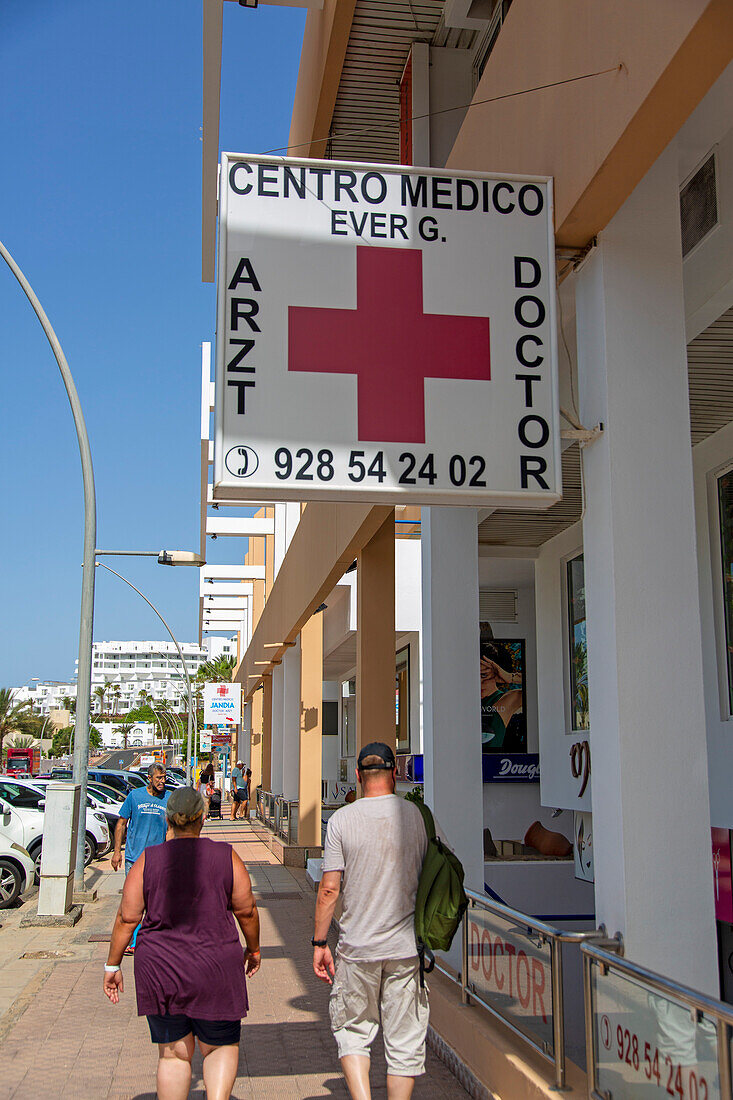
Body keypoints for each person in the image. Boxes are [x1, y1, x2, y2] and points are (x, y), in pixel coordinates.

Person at [103, 786, 261, 1100]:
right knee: (218, 1047)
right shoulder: (225, 856)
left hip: (161, 969)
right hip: (214, 967)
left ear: (168, 820)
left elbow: (127, 918)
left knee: (173, 1054)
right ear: (202, 819)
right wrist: (253, 948)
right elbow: (246, 910)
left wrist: (113, 964)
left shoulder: (149, 860)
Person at [313, 742, 429, 1100]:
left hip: (357, 946)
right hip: (406, 947)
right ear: (395, 773)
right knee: (404, 1039)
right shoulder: (419, 816)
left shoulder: (343, 819)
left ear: (360, 777)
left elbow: (329, 889)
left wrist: (319, 943)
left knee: (352, 1029)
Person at [111, 763, 171, 954]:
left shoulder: (169, 798)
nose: (162, 781)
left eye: (164, 777)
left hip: (157, 859)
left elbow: (171, 829)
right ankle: (136, 940)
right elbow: (121, 824)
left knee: (154, 902)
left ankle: (149, 939)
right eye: (159, 778)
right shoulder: (135, 796)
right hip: (133, 858)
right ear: (149, 778)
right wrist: (116, 852)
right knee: (134, 902)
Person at [480, 641, 524, 751]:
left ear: (497, 673)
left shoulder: (504, 700)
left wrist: (510, 677)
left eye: (484, 675)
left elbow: (543, 686)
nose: (479, 681)